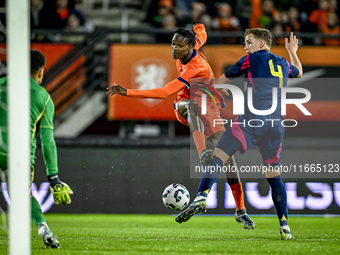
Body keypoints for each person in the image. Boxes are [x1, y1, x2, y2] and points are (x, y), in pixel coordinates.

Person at [106, 24, 255, 229]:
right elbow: (202, 35)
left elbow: (162, 92)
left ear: (190, 47)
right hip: (185, 106)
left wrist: (127, 92)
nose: (174, 49)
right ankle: (202, 152)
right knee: (193, 104)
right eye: (173, 44)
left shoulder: (195, 66)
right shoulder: (193, 47)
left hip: (209, 108)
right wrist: (199, 26)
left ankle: (240, 210)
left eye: (179, 45)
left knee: (228, 157)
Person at [176, 29, 302, 240]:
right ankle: (285, 226)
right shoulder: (282, 63)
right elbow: (298, 71)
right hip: (276, 126)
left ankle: (201, 196)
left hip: (251, 123)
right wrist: (292, 51)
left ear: (262, 44)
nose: (246, 47)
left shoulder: (250, 59)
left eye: (249, 42)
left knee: (219, 156)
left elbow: (220, 81)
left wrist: (217, 89)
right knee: (273, 176)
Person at [0, 50, 73, 248]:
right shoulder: (45, 98)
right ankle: (43, 227)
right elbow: (48, 141)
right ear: (40, 72)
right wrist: (54, 179)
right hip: (18, 156)